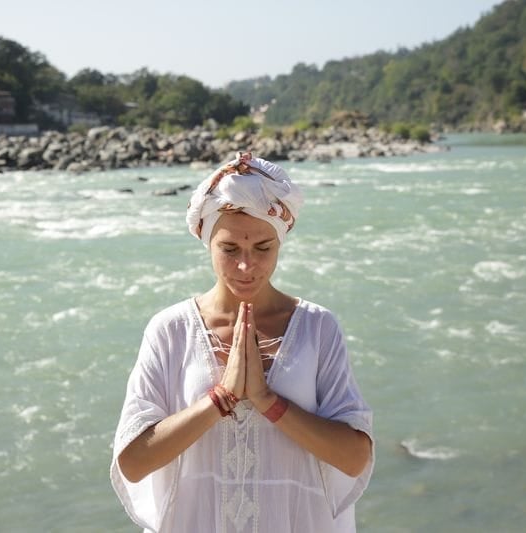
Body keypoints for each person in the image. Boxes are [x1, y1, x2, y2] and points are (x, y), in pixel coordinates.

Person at [110, 152, 374, 532]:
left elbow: (354, 459)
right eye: (230, 249)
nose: (246, 266)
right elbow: (133, 463)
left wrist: (268, 401)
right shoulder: (170, 330)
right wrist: (221, 399)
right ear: (207, 241)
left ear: (281, 242)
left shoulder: (318, 327)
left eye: (262, 248)